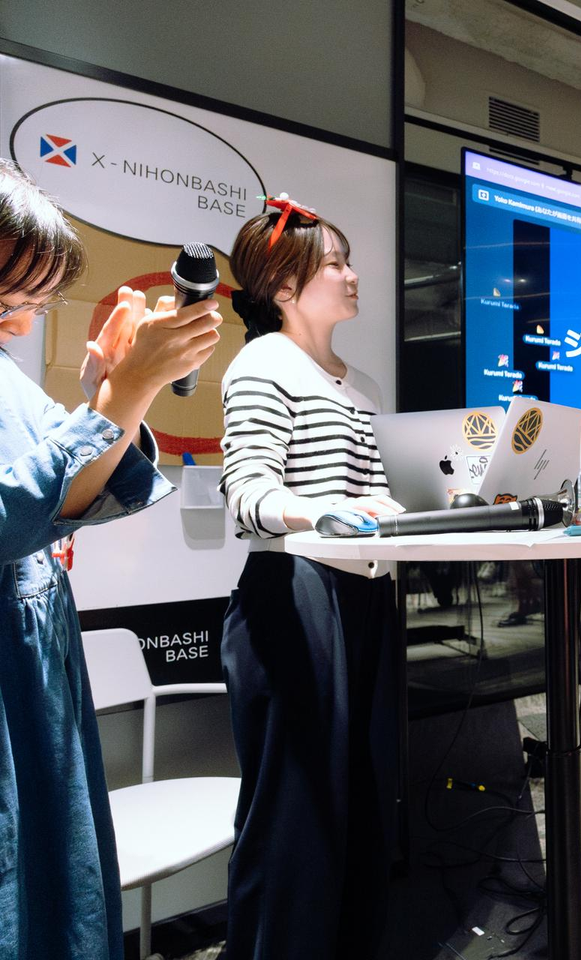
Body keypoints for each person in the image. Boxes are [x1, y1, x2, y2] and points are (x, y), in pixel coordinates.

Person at [0, 160, 220, 958]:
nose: (20, 328)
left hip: (35, 668)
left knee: (55, 885)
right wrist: (120, 395)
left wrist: (113, 389)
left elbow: (65, 489)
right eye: (11, 302)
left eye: (32, 306)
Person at [218, 197, 403, 958]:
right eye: (335, 263)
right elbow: (247, 495)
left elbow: (378, 496)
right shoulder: (262, 363)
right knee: (293, 817)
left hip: (367, 595)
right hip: (293, 597)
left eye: (348, 260)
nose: (352, 275)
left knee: (364, 801)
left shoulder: (364, 385)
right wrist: (329, 511)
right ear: (284, 287)